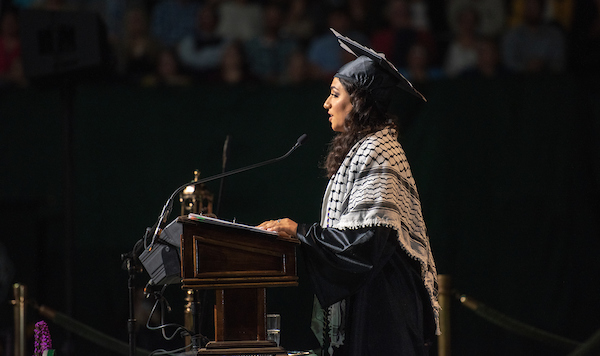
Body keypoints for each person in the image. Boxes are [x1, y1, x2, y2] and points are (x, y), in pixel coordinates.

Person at [258, 29, 439, 356]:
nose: (326, 103)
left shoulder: (380, 152)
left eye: (334, 94)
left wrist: (299, 233)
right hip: (372, 302)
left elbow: (364, 243)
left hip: (385, 311)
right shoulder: (364, 149)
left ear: (357, 102)